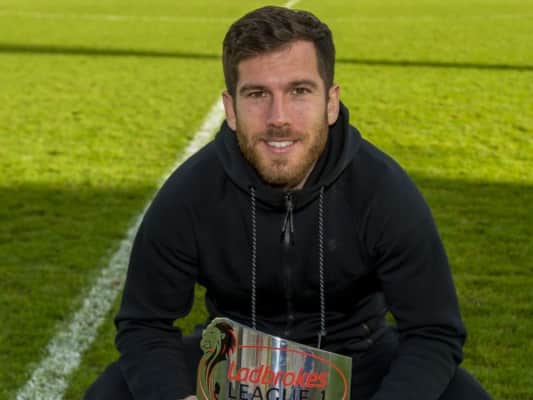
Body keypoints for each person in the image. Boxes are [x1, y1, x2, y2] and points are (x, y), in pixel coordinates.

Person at [85, 6, 492, 400]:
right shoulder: (190, 194)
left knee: (463, 394)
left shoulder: (383, 192)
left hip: (357, 364)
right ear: (231, 109)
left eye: (299, 91)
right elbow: (145, 325)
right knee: (112, 391)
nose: (278, 117)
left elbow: (433, 331)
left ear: (330, 102)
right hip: (232, 365)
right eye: (257, 94)